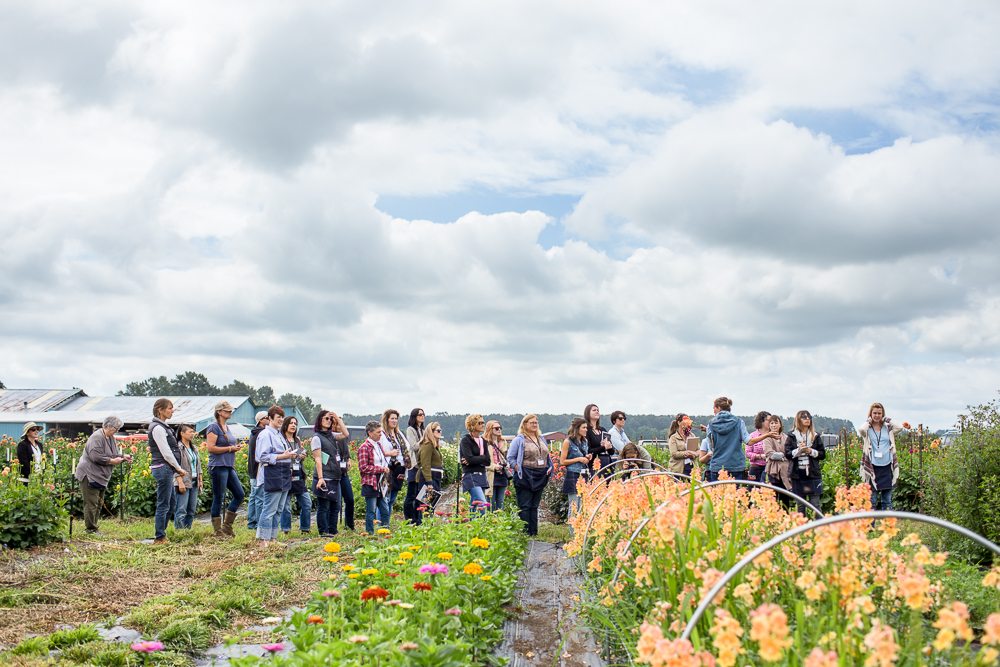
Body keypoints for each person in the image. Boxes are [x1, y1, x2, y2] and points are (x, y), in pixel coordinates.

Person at [74, 417, 130, 534]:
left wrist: (123, 457)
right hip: (89, 474)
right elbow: (95, 457)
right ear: (108, 426)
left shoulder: (110, 437)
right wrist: (111, 461)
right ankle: (90, 529)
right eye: (116, 428)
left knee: (98, 503)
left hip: (100, 476)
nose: (117, 430)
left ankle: (93, 527)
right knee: (91, 503)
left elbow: (113, 453)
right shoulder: (96, 437)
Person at [255, 406, 296, 546]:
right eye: (278, 417)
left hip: (283, 472)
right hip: (272, 474)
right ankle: (263, 540)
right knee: (269, 509)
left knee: (279, 509)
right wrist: (283, 455)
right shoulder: (266, 434)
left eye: (282, 417)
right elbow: (262, 456)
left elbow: (283, 453)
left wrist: (290, 454)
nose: (281, 420)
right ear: (270, 418)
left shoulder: (279, 434)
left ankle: (273, 538)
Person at [148, 399, 187, 543]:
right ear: (160, 409)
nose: (172, 410)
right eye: (170, 408)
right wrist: (178, 468)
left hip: (167, 469)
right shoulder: (158, 428)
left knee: (171, 503)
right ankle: (159, 536)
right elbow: (166, 452)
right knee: (164, 503)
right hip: (162, 468)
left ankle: (161, 533)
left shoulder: (164, 427)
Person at [507, 414, 553, 536]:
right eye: (532, 422)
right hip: (525, 475)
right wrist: (517, 468)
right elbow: (510, 458)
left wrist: (549, 468)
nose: (534, 424)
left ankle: (534, 532)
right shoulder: (519, 439)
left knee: (534, 505)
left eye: (536, 422)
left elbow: (547, 456)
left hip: (540, 474)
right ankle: (525, 533)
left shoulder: (541, 438)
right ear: (525, 424)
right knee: (525, 505)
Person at [204, 400, 245, 538]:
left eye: (230, 410)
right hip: (218, 466)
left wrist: (235, 448)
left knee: (239, 494)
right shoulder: (213, 427)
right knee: (219, 497)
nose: (230, 412)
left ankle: (227, 526)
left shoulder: (227, 427)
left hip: (228, 465)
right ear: (219, 412)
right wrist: (230, 448)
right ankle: (217, 530)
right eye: (227, 410)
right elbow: (211, 448)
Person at [858, 402, 905, 511]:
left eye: (879, 413)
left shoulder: (888, 428)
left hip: (887, 465)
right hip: (873, 466)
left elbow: (900, 427)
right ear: (870, 414)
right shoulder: (867, 429)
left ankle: (888, 525)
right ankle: (871, 526)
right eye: (874, 413)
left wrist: (887, 420)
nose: (877, 415)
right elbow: (861, 430)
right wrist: (868, 421)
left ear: (882, 414)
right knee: (872, 500)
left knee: (887, 500)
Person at [311, 410, 349, 537]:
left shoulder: (331, 435)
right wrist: (320, 478)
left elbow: (345, 433)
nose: (329, 421)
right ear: (320, 420)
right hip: (325, 476)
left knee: (336, 505)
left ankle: (333, 530)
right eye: (326, 418)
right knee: (324, 505)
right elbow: (318, 459)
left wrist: (338, 419)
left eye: (330, 419)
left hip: (335, 475)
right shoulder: (317, 438)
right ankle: (323, 531)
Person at [783, 410, 826, 516]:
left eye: (808, 417)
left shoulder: (816, 436)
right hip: (797, 475)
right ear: (798, 420)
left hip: (813, 474)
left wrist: (810, 451)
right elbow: (787, 454)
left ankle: (820, 528)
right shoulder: (792, 436)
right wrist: (799, 450)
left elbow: (822, 454)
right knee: (801, 505)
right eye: (804, 417)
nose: (807, 419)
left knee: (815, 504)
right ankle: (802, 529)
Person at [704, 397, 751, 482]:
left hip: (717, 466)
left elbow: (711, 448)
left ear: (718, 407)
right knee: (736, 494)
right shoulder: (739, 422)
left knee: (717, 494)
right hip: (736, 466)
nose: (713, 410)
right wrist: (767, 435)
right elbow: (748, 441)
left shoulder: (710, 425)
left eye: (714, 407)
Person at [280, 416, 312, 535]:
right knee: (286, 506)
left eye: (295, 423)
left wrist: (302, 455)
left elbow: (299, 455)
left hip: (298, 474)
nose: (293, 425)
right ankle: (285, 530)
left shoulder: (297, 440)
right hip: (286, 474)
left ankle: (305, 528)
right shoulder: (281, 439)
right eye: (291, 423)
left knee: (307, 503)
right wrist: (290, 456)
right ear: (285, 425)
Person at [379, 409, 412, 524]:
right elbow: (378, 450)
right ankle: (382, 524)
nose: (394, 420)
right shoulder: (382, 434)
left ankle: (386, 522)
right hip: (389, 469)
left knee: (392, 499)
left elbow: (407, 447)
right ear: (386, 419)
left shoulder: (398, 434)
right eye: (392, 418)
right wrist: (389, 453)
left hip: (400, 469)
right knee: (385, 498)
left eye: (396, 418)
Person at [358, 420, 391, 534]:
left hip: (381, 481)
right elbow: (363, 467)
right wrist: (380, 469)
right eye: (378, 432)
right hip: (370, 482)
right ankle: (370, 533)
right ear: (370, 433)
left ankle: (385, 531)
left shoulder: (378, 445)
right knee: (371, 510)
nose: (380, 434)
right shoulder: (364, 447)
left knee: (385, 509)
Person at [559, 418, 591, 525]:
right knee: (574, 505)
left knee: (583, 504)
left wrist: (587, 457)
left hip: (583, 473)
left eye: (586, 427)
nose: (586, 430)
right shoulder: (567, 442)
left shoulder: (584, 441)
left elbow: (582, 456)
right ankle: (573, 533)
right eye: (584, 427)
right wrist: (578, 459)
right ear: (577, 428)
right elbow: (562, 461)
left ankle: (581, 530)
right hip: (573, 474)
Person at [460, 414, 491, 514]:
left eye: (483, 422)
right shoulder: (465, 440)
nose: (483, 424)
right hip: (470, 475)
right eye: (480, 423)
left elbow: (488, 461)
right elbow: (470, 458)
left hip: (482, 475)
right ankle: (484, 526)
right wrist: (482, 458)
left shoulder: (483, 441)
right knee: (482, 504)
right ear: (473, 425)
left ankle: (471, 525)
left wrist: (474, 459)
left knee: (474, 504)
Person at [415, 421, 445, 522]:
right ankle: (423, 528)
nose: (440, 432)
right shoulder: (427, 445)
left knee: (430, 506)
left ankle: (427, 528)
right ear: (431, 432)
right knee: (425, 507)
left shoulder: (433, 446)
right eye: (438, 430)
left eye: (441, 430)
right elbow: (425, 464)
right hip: (429, 479)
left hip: (435, 478)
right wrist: (429, 482)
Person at [173, 424, 202, 530]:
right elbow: (175, 465)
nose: (192, 434)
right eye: (190, 432)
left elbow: (198, 465)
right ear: (182, 433)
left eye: (193, 432)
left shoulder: (194, 448)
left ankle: (187, 531)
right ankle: (179, 532)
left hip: (194, 481)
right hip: (183, 481)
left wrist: (200, 479)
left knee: (191, 510)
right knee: (181, 510)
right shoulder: (178, 448)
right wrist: (179, 481)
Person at [761, 415, 792, 509]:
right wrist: (783, 456)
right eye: (772, 423)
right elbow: (770, 454)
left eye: (776, 423)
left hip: (785, 471)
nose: (774, 425)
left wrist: (782, 455)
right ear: (769, 425)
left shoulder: (786, 437)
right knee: (773, 497)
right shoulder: (767, 438)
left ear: (780, 424)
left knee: (785, 498)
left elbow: (790, 452)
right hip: (773, 471)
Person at [246, 410, 269, 530]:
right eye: (267, 418)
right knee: (258, 497)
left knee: (254, 496)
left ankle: (252, 523)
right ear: (260, 420)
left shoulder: (254, 432)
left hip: (253, 469)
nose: (269, 420)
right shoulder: (261, 434)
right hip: (257, 470)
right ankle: (257, 524)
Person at [402, 408, 426, 522]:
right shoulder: (410, 430)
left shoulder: (422, 429)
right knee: (411, 494)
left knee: (420, 494)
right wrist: (424, 439)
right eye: (420, 414)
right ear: (414, 417)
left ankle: (418, 519)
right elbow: (414, 446)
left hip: (422, 466)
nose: (422, 416)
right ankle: (409, 518)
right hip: (414, 465)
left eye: (423, 414)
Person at [483, 420, 511, 511]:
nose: (499, 430)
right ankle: (491, 523)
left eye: (500, 428)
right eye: (496, 428)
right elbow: (483, 462)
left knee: (500, 503)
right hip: (491, 476)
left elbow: (506, 458)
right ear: (490, 429)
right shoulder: (484, 443)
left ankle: (499, 523)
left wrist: (506, 465)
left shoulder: (503, 442)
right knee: (491, 503)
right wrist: (494, 466)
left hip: (502, 475)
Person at [584, 404, 614, 476]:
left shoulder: (602, 429)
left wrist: (609, 447)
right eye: (594, 410)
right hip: (594, 466)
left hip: (607, 463)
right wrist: (603, 448)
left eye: (598, 410)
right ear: (588, 413)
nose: (597, 412)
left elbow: (611, 452)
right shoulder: (586, 430)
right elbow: (588, 451)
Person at [745, 411, 772, 482]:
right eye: (768, 420)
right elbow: (747, 453)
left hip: (770, 468)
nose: (771, 422)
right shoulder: (752, 436)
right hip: (755, 468)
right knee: (752, 489)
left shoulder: (773, 435)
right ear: (761, 421)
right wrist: (760, 456)